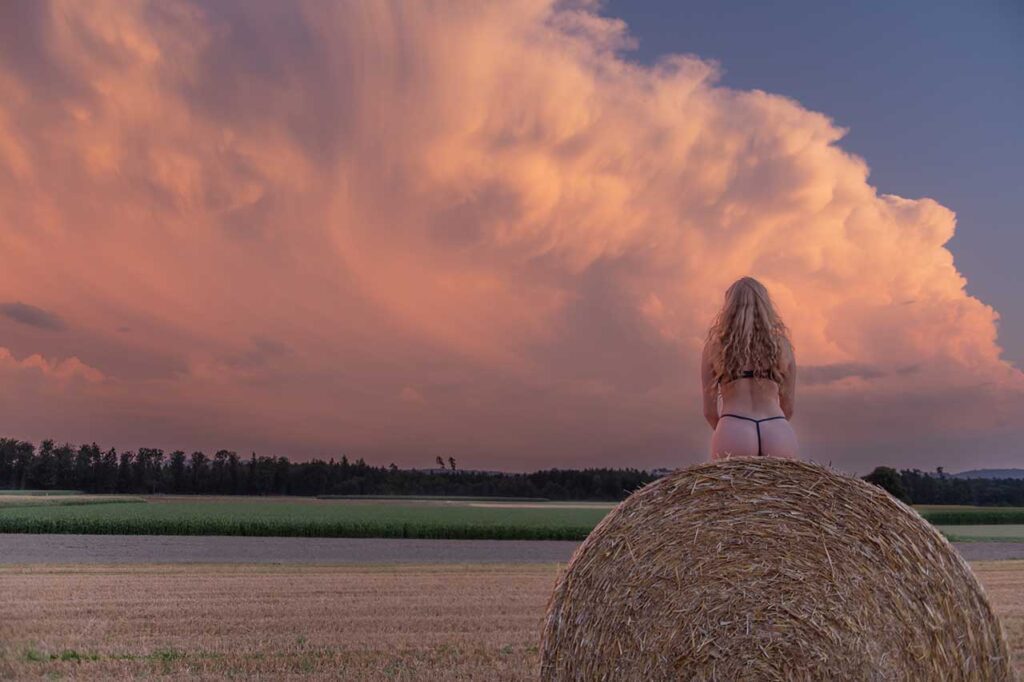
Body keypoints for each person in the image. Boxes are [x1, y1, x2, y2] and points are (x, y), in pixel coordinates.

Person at [700, 276, 799, 461]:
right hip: (776, 428)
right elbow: (789, 407)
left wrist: (729, 429)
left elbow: (709, 412)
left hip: (734, 425)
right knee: (783, 490)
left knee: (729, 490)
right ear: (765, 306)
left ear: (729, 307)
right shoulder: (783, 346)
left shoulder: (715, 347)